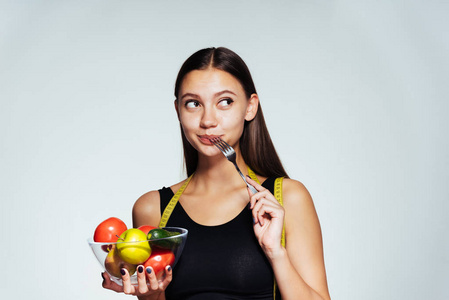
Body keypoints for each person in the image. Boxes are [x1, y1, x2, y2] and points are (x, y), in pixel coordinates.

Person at [102, 47, 331, 300]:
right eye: (193, 103)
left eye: (225, 102)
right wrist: (151, 296)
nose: (208, 120)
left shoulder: (286, 198)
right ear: (178, 110)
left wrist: (276, 252)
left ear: (250, 107)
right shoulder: (152, 208)